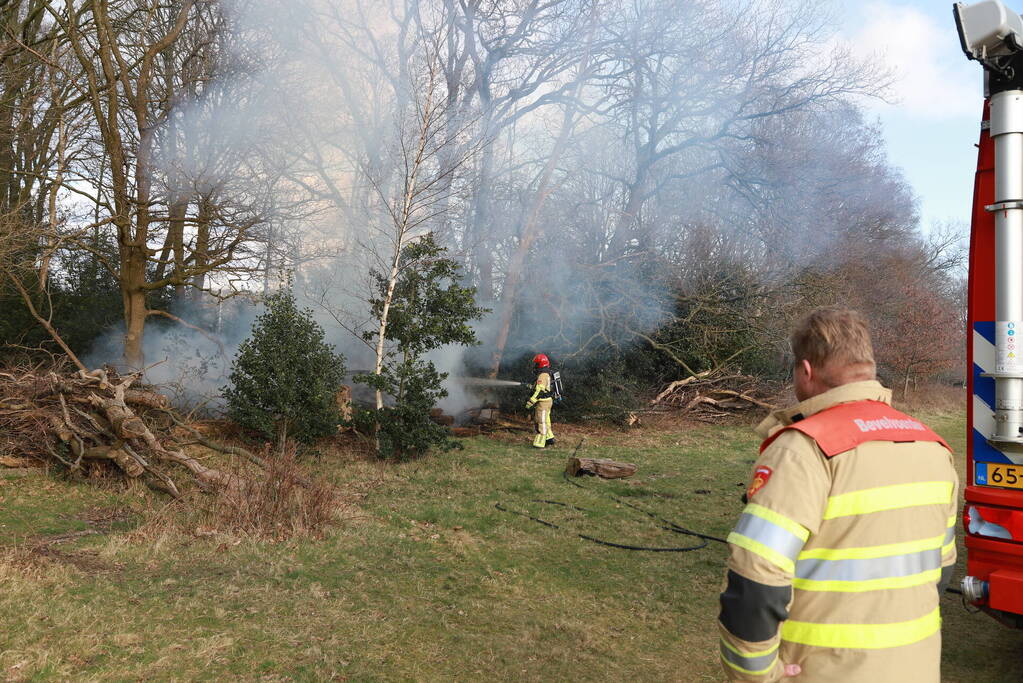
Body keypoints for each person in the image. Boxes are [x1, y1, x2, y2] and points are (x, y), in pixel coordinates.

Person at [717, 308, 958, 682]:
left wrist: (757, 672)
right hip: (917, 669)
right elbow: (941, 568)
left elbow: (755, 577)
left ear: (807, 370)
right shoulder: (933, 446)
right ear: (867, 367)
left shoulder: (803, 449)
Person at [525, 353, 556, 448]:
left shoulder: (542, 375)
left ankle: (539, 444)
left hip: (543, 403)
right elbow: (541, 387)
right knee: (546, 420)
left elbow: (539, 391)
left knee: (540, 421)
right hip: (548, 401)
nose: (535, 366)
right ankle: (549, 438)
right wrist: (529, 386)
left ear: (540, 364)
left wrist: (530, 402)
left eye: (536, 364)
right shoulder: (546, 373)